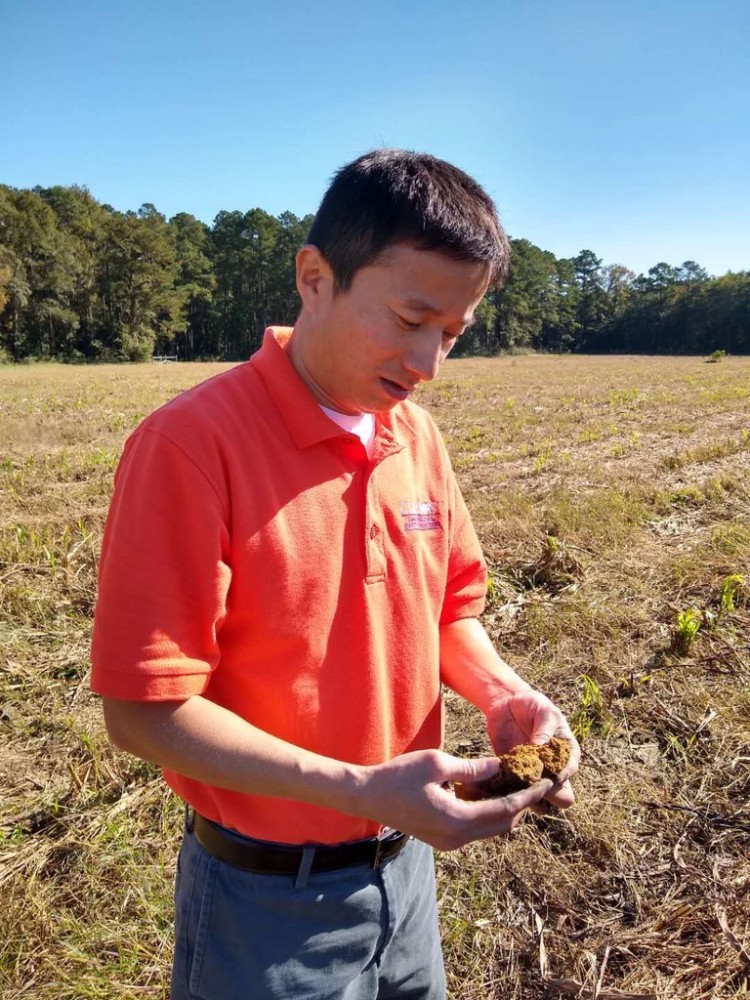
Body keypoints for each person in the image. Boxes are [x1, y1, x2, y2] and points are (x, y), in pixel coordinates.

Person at [90, 149, 579, 1000]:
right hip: (266, 904)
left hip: (407, 877)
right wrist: (363, 788)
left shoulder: (414, 437)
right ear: (315, 276)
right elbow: (142, 712)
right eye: (410, 317)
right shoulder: (192, 448)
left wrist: (503, 696)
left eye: (452, 334)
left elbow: (448, 614)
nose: (427, 363)